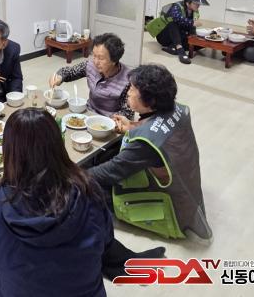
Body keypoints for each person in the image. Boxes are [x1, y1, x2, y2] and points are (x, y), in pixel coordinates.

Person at [0, 108, 164, 295]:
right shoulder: (88, 189)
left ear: (9, 152)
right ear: (58, 145)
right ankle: (133, 265)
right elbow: (105, 243)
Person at [89, 64, 213, 242]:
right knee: (104, 156)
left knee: (87, 187)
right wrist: (133, 127)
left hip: (170, 209)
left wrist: (72, 175)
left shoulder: (144, 144)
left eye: (133, 89)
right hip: (188, 196)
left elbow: (110, 171)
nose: (128, 92)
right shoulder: (178, 109)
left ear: (151, 100)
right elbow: (156, 127)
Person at [49, 33, 134, 120]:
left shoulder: (128, 80)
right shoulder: (90, 65)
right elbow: (69, 72)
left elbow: (128, 112)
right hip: (89, 112)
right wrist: (59, 77)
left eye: (101, 58)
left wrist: (107, 121)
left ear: (114, 60)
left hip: (110, 120)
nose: (96, 62)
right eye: (94, 55)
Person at [148, 0, 209, 65]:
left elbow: (191, 27)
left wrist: (194, 38)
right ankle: (180, 50)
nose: (198, 6)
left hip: (178, 37)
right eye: (196, 3)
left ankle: (173, 47)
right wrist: (192, 23)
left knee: (200, 44)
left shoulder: (195, 11)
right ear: (188, 2)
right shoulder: (176, 6)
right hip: (164, 36)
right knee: (173, 23)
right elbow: (177, 18)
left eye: (199, 4)